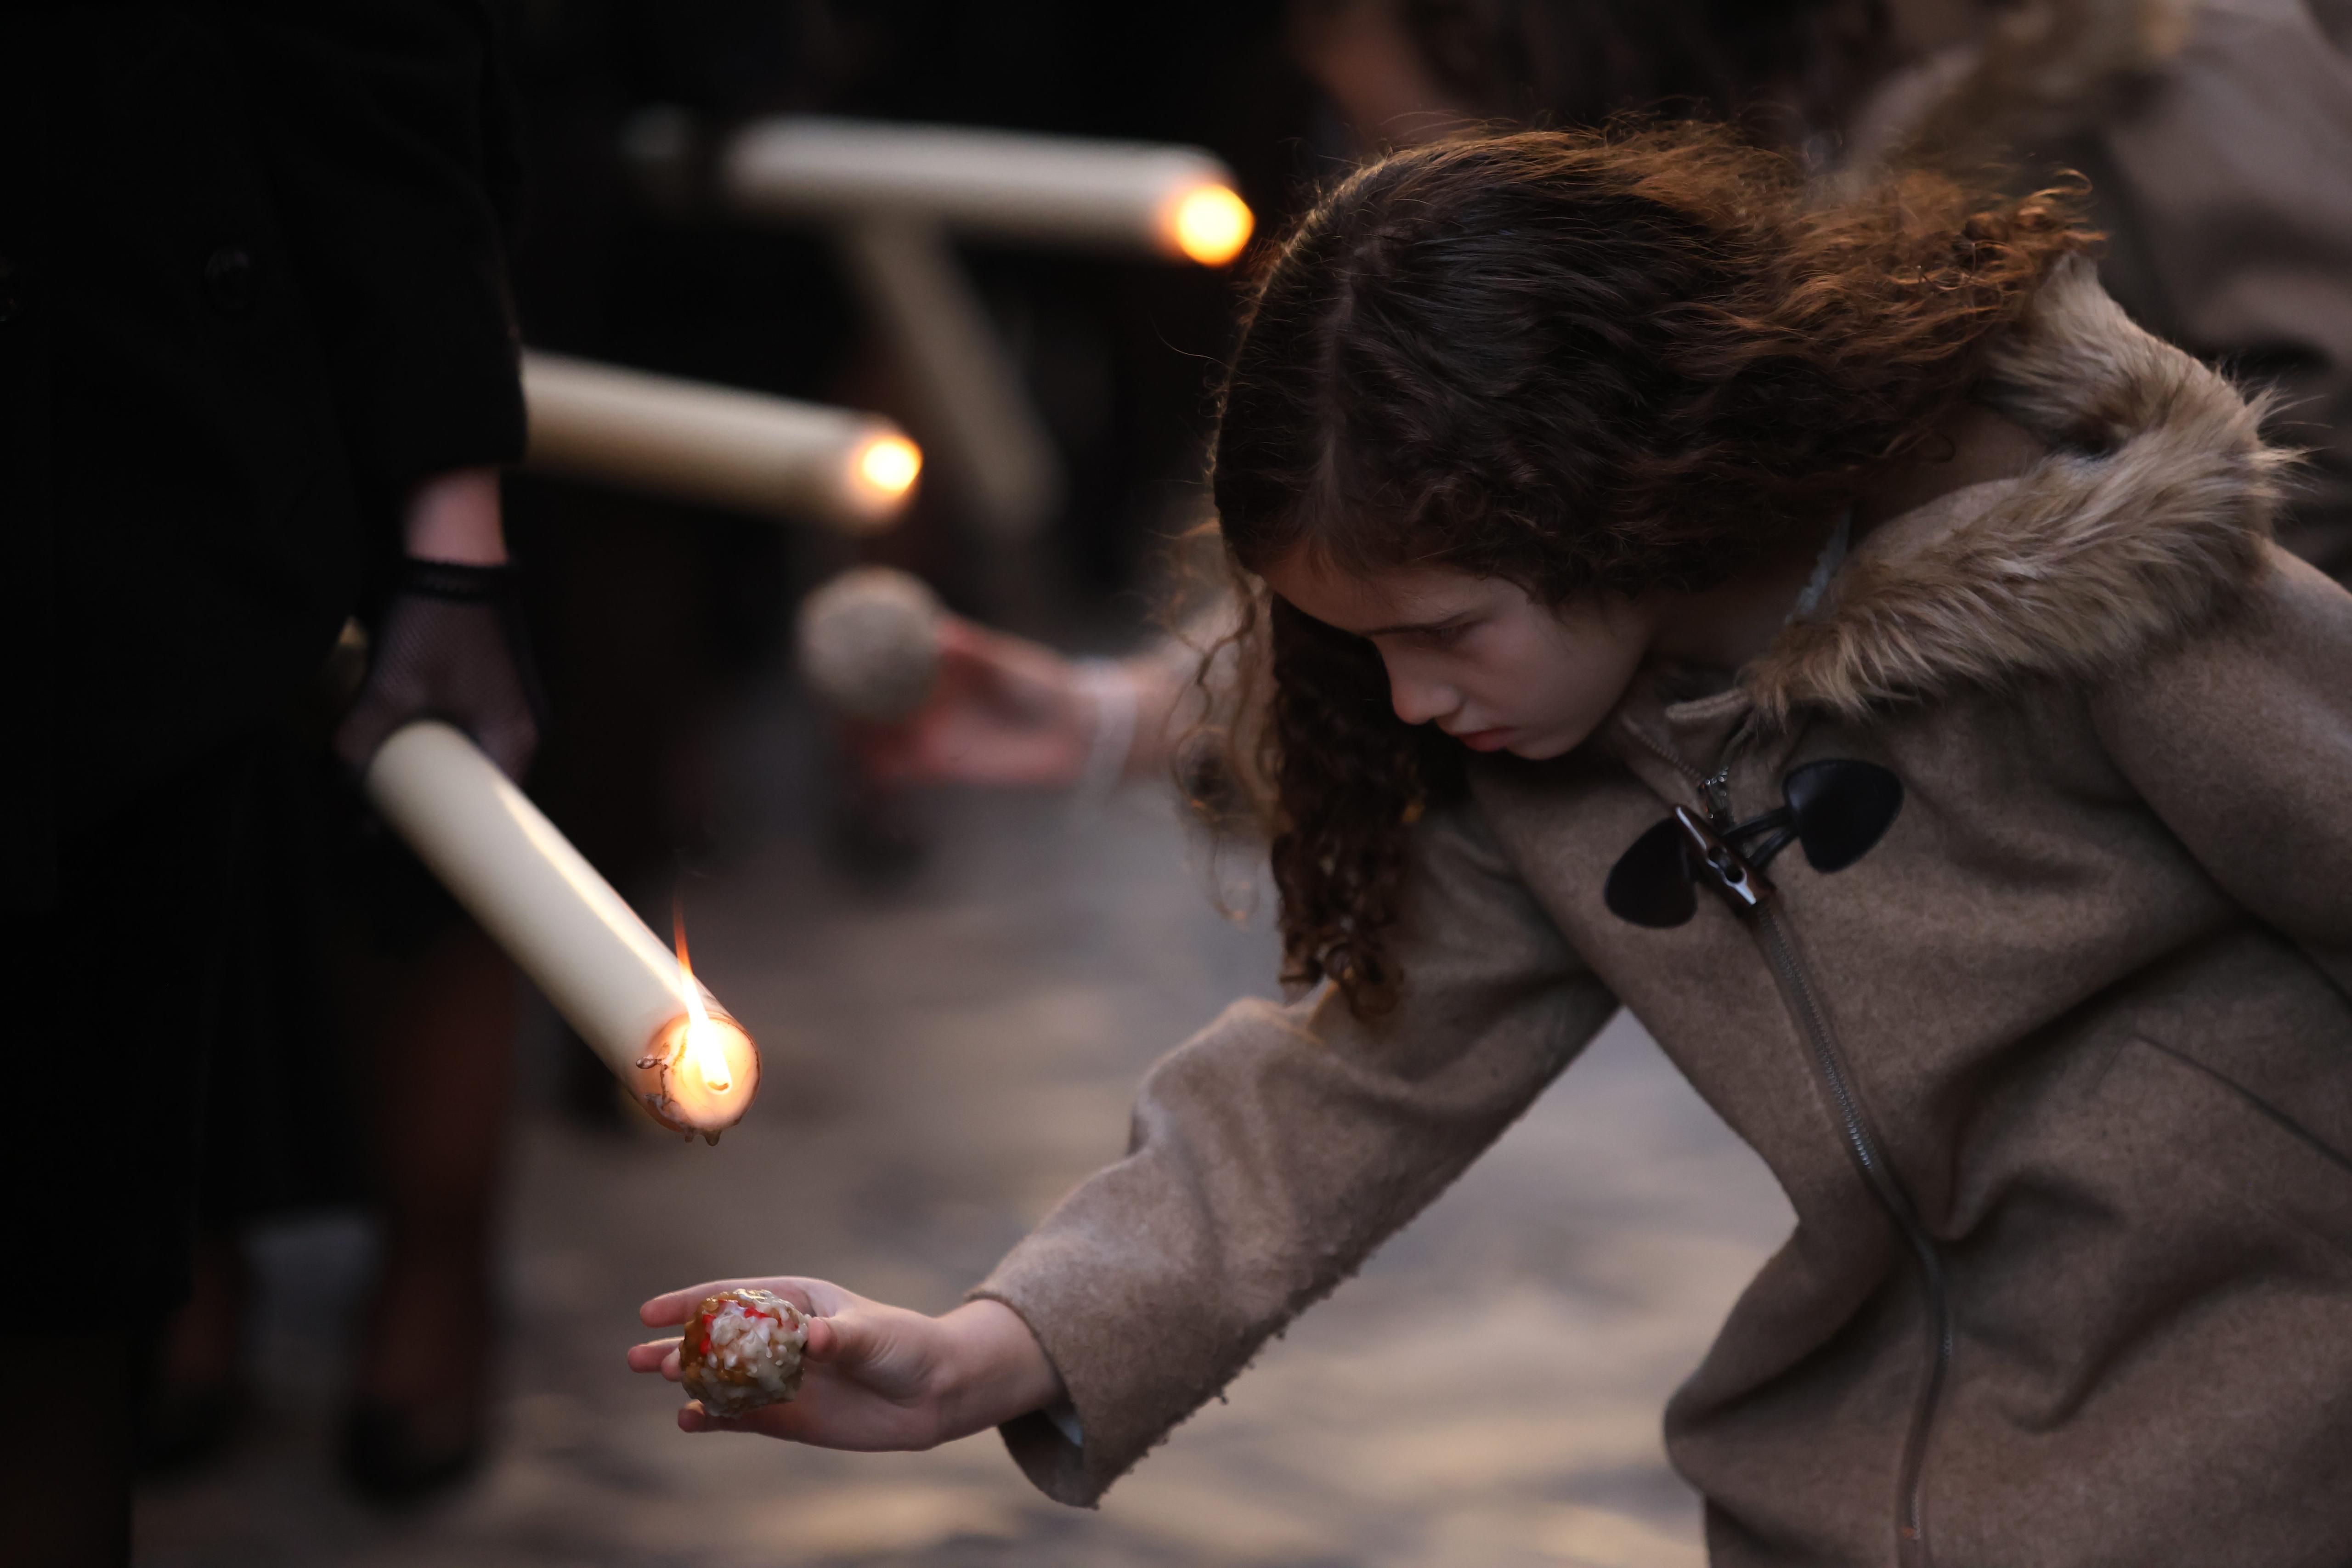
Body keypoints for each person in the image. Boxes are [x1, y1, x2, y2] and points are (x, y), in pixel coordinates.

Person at [633, 127, 2352, 1561]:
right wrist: (977, 1353)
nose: (1408, 698)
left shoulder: (2109, 605)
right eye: (1363, 648)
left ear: (1613, 488)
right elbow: (1335, 1088)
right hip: (1860, 1468)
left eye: (1445, 628)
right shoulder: (1556, 754)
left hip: (2268, 1436)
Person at [860, 0, 2352, 794]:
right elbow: (1489, 552)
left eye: (1381, 86)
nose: (1368, 131)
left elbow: (2318, 412)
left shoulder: (2184, 50)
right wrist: (1127, 717)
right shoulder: (1795, 143)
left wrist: (2071, 638)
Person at [0, 4, 535, 1558]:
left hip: (100, 506)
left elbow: (370, 50)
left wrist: (453, 531)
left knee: (53, 1296)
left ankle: (401, 1271)